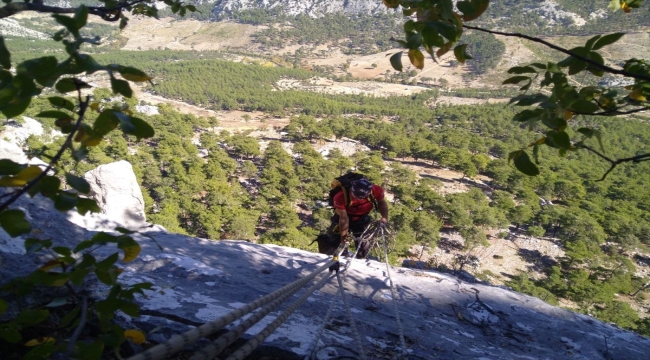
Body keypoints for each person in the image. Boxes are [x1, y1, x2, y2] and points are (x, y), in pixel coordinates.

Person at [326, 177, 389, 258]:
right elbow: (344, 219)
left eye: (361, 197)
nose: (358, 199)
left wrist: (384, 217)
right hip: (342, 217)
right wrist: (343, 240)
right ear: (351, 190)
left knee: (363, 245)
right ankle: (339, 258)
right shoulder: (340, 196)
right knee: (335, 242)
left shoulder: (375, 190)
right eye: (356, 196)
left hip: (362, 218)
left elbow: (381, 202)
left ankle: (360, 258)